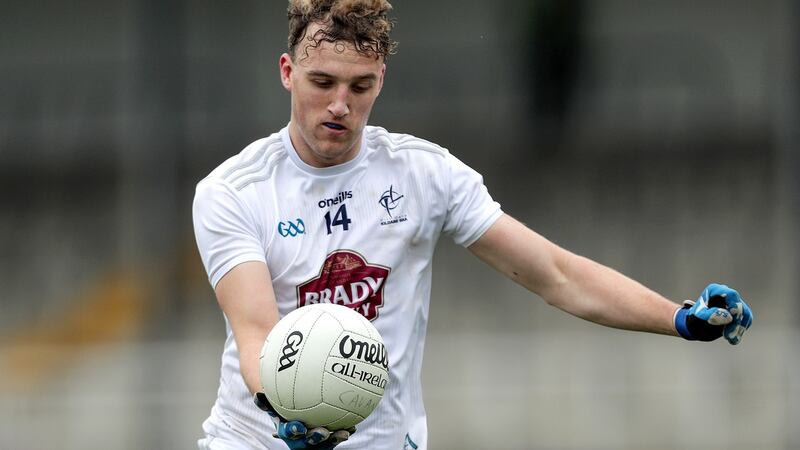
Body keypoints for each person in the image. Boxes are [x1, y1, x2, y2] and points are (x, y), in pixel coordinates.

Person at [192, 1, 754, 449]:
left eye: (359, 86)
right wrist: (287, 410)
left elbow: (557, 275)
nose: (340, 104)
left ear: (381, 81)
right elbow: (258, 336)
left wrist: (679, 318)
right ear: (288, 73)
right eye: (323, 83)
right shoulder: (233, 191)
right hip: (257, 440)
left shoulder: (424, 173)